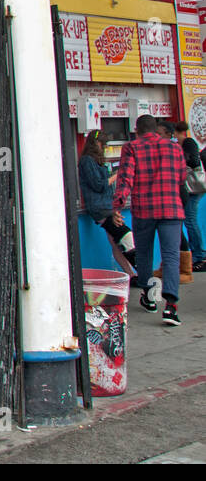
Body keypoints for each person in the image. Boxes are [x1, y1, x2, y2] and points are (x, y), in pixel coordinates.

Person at [114, 114, 188, 327]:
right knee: (171, 256)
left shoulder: (132, 147)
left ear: (137, 130)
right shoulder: (174, 148)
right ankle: (171, 307)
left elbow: (126, 178)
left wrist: (117, 205)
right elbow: (182, 177)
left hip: (144, 210)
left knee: (144, 253)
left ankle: (148, 296)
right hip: (172, 209)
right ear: (155, 129)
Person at [77, 131, 137, 278]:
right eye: (102, 144)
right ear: (96, 144)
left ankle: (131, 275)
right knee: (125, 237)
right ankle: (140, 271)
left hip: (107, 206)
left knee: (116, 243)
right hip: (100, 207)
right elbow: (99, 185)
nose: (103, 147)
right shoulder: (87, 161)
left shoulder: (95, 161)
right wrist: (117, 175)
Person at [172, 122, 206, 272]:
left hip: (194, 188)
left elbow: (193, 161)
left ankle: (200, 256)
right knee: (188, 220)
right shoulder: (183, 143)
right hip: (189, 189)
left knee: (190, 220)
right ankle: (197, 255)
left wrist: (179, 158)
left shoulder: (188, 142)